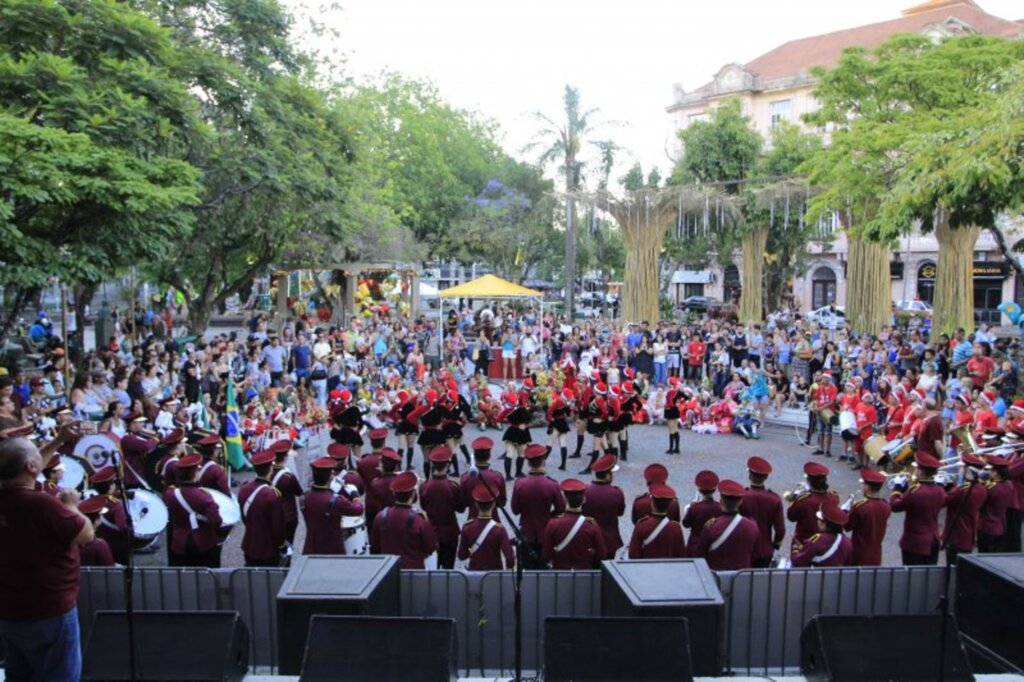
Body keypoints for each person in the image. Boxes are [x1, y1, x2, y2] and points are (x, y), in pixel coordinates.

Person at [0, 436, 94, 682]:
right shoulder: (41, 504)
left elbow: (22, 464)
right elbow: (86, 534)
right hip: (50, 608)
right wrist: (73, 505)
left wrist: (59, 438)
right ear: (31, 467)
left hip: (9, 609)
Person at [164, 454, 224, 568]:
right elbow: (216, 522)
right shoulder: (204, 497)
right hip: (202, 544)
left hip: (179, 543)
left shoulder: (170, 493)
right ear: (194, 474)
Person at [511, 443, 565, 570]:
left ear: (528, 463)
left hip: (526, 533)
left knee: (527, 570)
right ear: (543, 461)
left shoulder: (520, 484)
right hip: (546, 533)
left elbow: (515, 510)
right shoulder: (552, 484)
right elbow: (561, 510)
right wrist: (549, 515)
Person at [370, 471, 438, 569]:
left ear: (394, 493)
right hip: (413, 573)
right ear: (413, 494)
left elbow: (375, 546)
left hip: (388, 571)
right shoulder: (419, 521)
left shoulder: (380, 517)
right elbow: (431, 547)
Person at [890, 452, 946, 566]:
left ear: (920, 471)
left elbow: (895, 506)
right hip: (933, 540)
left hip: (915, 542)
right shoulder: (940, 490)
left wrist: (897, 489)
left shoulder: (915, 491)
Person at [301, 457, 363, 555]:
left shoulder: (305, 497)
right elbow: (358, 510)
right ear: (330, 477)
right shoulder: (335, 500)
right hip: (332, 548)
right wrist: (355, 495)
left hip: (311, 547)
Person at [692, 480, 759, 570]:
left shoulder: (711, 526)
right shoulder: (752, 526)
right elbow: (755, 554)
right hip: (742, 577)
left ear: (721, 502)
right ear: (740, 502)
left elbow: (700, 555)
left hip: (717, 577)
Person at [542, 479, 606, 570]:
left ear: (565, 499)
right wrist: (589, 553)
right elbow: (602, 554)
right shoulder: (591, 524)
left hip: (559, 571)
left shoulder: (553, 523)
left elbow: (546, 554)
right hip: (584, 571)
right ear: (583, 500)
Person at [238, 450, 287, 567]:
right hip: (267, 548)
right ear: (270, 469)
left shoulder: (243, 488)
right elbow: (277, 526)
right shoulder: (272, 494)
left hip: (249, 543)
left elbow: (244, 517)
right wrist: (281, 545)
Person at [419, 447, 465, 569]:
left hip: (431, 531)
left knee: (432, 567)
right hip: (450, 532)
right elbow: (461, 508)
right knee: (448, 568)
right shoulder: (453, 487)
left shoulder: (424, 486)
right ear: (448, 464)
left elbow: (423, 506)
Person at [941, 453, 988, 565]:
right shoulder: (982, 489)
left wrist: (939, 486)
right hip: (968, 534)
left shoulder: (961, 490)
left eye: (963, 468)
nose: (961, 470)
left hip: (956, 534)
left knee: (952, 568)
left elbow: (943, 501)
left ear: (968, 470)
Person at [739, 456, 785, 568]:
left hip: (744, 548)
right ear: (766, 477)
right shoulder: (774, 499)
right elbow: (780, 530)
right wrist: (775, 544)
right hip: (765, 550)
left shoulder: (741, 496)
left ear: (749, 475)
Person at [457, 484, 515, 571]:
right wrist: (509, 568)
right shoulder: (499, 530)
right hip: (495, 575)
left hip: (474, 574)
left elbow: (461, 556)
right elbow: (510, 558)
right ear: (493, 504)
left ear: (476, 504)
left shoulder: (467, 528)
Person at [786, 462, 840, 550]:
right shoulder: (834, 497)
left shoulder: (803, 499)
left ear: (809, 482)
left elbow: (791, 517)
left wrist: (795, 498)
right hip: (826, 544)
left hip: (804, 542)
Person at [844, 469, 892, 566]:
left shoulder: (860, 506)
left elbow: (847, 526)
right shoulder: (886, 505)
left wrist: (846, 511)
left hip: (859, 554)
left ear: (867, 487)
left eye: (864, 485)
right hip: (876, 554)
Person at [581, 455, 626, 559]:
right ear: (607, 475)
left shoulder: (585, 491)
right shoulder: (617, 492)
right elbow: (620, 512)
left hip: (589, 539)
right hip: (610, 540)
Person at [628, 483, 687, 559]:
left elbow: (633, 554)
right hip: (669, 568)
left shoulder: (641, 525)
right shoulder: (675, 527)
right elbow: (681, 554)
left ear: (652, 504)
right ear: (668, 505)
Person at [791, 503, 853, 568]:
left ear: (826, 524)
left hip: (819, 577)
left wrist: (796, 549)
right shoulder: (847, 541)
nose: (818, 521)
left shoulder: (818, 540)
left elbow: (798, 562)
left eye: (820, 520)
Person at [459, 437, 507, 519]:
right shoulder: (497, 477)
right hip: (493, 520)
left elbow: (464, 503)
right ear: (489, 456)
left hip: (472, 519)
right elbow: (501, 503)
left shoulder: (465, 477)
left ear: (474, 456)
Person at [269, 439, 303, 545]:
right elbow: (299, 492)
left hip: (270, 514)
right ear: (285, 457)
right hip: (288, 516)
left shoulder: (266, 472)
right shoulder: (288, 476)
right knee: (287, 545)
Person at [977, 456, 1013, 553]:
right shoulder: (1009, 485)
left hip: (987, 525)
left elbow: (980, 506)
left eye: (992, 470)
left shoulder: (990, 488)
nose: (990, 472)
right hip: (1001, 525)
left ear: (996, 473)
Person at [682, 470, 723, 556]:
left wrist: (689, 509)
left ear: (699, 490)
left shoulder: (695, 508)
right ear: (714, 490)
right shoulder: (720, 507)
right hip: (714, 546)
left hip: (695, 546)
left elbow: (686, 524)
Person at [78, 496, 117, 567]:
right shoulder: (100, 545)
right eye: (100, 516)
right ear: (96, 521)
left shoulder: (71, 542)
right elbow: (110, 572)